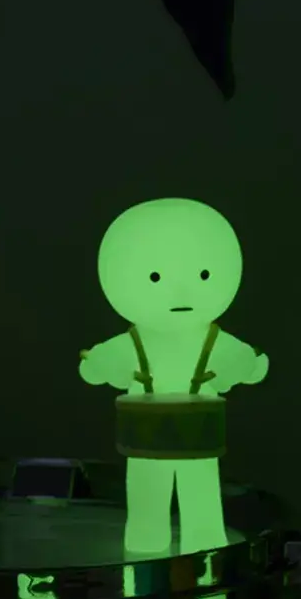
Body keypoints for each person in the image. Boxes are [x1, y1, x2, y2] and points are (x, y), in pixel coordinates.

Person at [80, 199, 267, 557]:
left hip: (172, 434)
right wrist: (253, 366)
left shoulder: (209, 340)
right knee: (156, 490)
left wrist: (94, 367)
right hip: (164, 434)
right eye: (155, 278)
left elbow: (241, 361)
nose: (181, 293)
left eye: (203, 275)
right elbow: (247, 365)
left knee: (189, 489)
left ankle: (189, 539)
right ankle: (161, 540)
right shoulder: (136, 342)